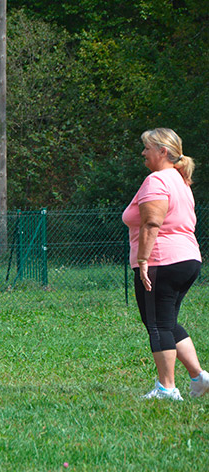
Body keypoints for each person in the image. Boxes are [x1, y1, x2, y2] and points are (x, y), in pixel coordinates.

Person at [122, 127, 209, 401]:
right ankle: (200, 378)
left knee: (157, 324)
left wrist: (144, 260)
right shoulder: (180, 181)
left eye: (147, 147)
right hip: (187, 259)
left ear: (163, 151)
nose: (143, 152)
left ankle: (167, 389)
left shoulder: (157, 180)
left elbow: (151, 223)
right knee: (167, 322)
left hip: (162, 259)